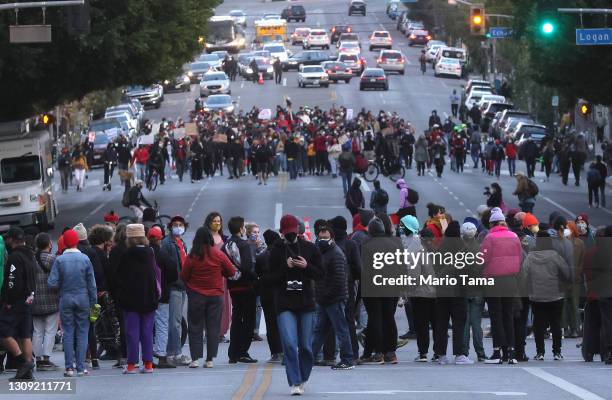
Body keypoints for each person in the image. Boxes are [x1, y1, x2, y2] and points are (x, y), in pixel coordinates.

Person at [267, 215, 323, 395]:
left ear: (298, 231)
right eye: (287, 233)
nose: (290, 236)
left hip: (306, 302)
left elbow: (320, 273)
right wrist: (285, 267)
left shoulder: (310, 248)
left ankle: (303, 376)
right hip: (284, 303)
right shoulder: (275, 251)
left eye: (293, 232)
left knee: (306, 345)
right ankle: (294, 381)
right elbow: (268, 279)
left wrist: (306, 266)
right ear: (281, 233)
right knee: (290, 344)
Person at [182, 227, 239, 368]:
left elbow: (184, 275)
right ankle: (210, 359)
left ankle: (195, 359)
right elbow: (231, 271)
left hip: (196, 295)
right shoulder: (218, 254)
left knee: (195, 327)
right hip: (216, 296)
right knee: (213, 327)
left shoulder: (193, 256)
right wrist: (222, 273)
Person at [48, 229, 97, 377]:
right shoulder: (85, 259)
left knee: (68, 332)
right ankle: (81, 367)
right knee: (82, 332)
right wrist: (94, 303)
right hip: (83, 298)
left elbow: (51, 282)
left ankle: (69, 368)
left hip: (66, 298)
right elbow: (92, 284)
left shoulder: (59, 260)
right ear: (76, 241)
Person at [115, 224, 159, 374]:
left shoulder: (126, 255)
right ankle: (148, 364)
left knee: (132, 332)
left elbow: (119, 276)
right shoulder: (150, 252)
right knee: (147, 331)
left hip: (131, 299)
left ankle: (131, 365)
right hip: (149, 297)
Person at [480, 208, 522, 364]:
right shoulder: (514, 237)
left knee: (496, 316)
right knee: (508, 315)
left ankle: (497, 351)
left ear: (492, 223)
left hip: (493, 281)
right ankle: (510, 351)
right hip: (510, 280)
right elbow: (520, 257)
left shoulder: (489, 238)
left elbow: (482, 258)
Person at [311, 223, 354, 370]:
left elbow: (339, 280)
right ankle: (308, 357)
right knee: (319, 330)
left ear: (332, 238)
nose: (322, 239)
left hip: (334, 300)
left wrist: (324, 296)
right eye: (320, 237)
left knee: (341, 330)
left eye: (326, 237)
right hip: (325, 299)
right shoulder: (322, 252)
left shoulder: (336, 253)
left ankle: (347, 359)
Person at [523, 231, 572, 360]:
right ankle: (557, 352)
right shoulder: (555, 256)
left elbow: (523, 274)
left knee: (538, 325)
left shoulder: (531, 257)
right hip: (556, 295)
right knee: (555, 323)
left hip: (536, 296)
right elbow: (566, 273)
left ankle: (540, 352)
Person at [0, 227, 37, 380]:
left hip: (16, 301)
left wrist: (8, 300)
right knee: (25, 335)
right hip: (29, 298)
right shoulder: (30, 255)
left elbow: (11, 280)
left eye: (8, 238)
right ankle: (27, 372)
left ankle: (23, 363)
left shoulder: (15, 257)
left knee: (3, 330)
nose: (6, 240)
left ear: (13, 239)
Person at [433, 221, 472, 365]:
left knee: (441, 324)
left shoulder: (441, 247)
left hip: (442, 291)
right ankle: (459, 354)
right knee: (459, 324)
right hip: (459, 291)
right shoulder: (463, 248)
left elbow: (435, 268)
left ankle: (441, 355)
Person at [399, 216, 436, 362]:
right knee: (436, 323)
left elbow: (414, 273)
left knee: (422, 325)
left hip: (421, 292)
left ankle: (423, 353)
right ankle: (439, 353)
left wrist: (407, 290)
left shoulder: (415, 247)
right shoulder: (433, 249)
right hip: (434, 291)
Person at [223, 216, 258, 364]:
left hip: (233, 286)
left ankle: (233, 352)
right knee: (249, 320)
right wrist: (256, 279)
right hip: (246, 286)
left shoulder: (226, 245)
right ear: (240, 228)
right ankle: (243, 351)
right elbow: (248, 266)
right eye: (243, 226)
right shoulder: (243, 245)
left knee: (237, 318)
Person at [161, 216, 191, 366]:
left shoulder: (181, 243)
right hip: (174, 286)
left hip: (182, 285)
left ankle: (172, 351)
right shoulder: (167, 243)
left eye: (180, 225)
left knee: (177, 321)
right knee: (174, 322)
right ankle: (174, 353)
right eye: (175, 225)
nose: (178, 227)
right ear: (170, 227)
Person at [148, 227, 178, 369]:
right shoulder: (163, 255)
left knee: (146, 325)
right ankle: (161, 355)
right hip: (162, 295)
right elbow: (174, 274)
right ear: (160, 238)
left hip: (145, 295)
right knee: (162, 325)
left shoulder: (145, 253)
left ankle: (146, 356)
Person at [31, 233, 59, 371]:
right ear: (49, 244)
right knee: (50, 330)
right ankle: (46, 359)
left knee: (37, 331)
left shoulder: (31, 260)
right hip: (51, 300)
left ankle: (37, 358)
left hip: (35, 301)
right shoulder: (53, 259)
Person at [255, 230, 283, 363]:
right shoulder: (284, 253)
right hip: (282, 292)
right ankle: (285, 349)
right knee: (284, 322)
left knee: (271, 324)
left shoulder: (261, 257)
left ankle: (275, 352)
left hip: (267, 293)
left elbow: (257, 274)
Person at [460, 222, 486, 362]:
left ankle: (464, 352)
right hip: (478, 290)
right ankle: (480, 353)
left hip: (464, 290)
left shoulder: (459, 251)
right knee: (476, 323)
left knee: (465, 323)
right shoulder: (480, 250)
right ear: (475, 233)